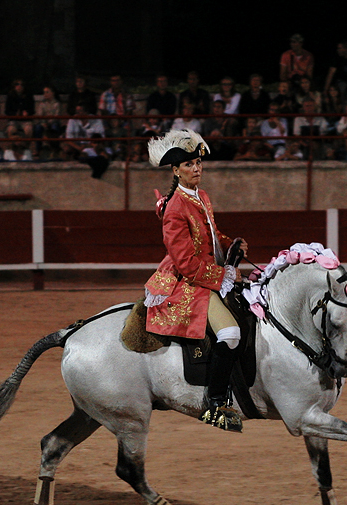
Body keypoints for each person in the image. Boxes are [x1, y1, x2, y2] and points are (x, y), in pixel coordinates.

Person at [144, 129, 247, 431]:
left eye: (199, 163)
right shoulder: (175, 208)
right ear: (175, 170)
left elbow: (211, 236)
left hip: (207, 274)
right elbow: (187, 264)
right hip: (188, 282)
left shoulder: (201, 195)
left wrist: (230, 244)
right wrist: (224, 274)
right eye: (189, 164)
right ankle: (215, 404)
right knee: (229, 333)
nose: (197, 168)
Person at [99, 75, 136, 145]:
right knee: (103, 129)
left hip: (123, 121)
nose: (115, 83)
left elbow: (129, 110)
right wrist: (110, 121)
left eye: (117, 80)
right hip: (109, 121)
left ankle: (124, 148)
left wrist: (121, 121)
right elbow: (102, 110)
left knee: (128, 129)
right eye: (113, 81)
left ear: (121, 82)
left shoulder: (127, 95)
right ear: (110, 82)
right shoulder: (105, 94)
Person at [34, 85, 64, 158]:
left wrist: (49, 122)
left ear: (53, 93)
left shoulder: (57, 103)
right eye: (44, 92)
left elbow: (57, 116)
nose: (45, 94)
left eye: (47, 92)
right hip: (44, 123)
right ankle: (38, 149)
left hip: (53, 122)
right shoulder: (42, 104)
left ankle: (55, 149)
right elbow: (40, 115)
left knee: (55, 127)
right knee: (38, 128)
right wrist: (43, 122)